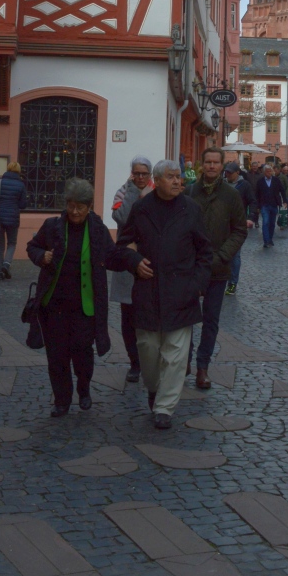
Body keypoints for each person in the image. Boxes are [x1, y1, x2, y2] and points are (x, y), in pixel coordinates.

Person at [27, 177, 150, 417]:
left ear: (89, 206)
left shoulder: (96, 229)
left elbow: (112, 257)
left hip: (86, 305)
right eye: (71, 206)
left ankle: (83, 390)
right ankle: (61, 399)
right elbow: (32, 246)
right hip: (55, 304)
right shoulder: (52, 226)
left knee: (83, 352)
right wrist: (41, 256)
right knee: (57, 355)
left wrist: (132, 261)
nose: (74, 211)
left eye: (80, 207)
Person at [117, 159, 213, 430]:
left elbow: (205, 252)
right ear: (156, 181)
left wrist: (197, 285)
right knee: (148, 349)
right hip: (148, 291)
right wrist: (134, 261)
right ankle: (153, 386)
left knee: (175, 354)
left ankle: (165, 407)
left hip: (181, 291)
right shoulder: (141, 209)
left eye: (178, 177)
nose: (177, 181)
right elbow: (122, 245)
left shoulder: (191, 209)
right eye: (170, 177)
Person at [188, 147, 247, 388]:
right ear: (202, 165)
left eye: (216, 162)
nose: (212, 166)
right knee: (186, 318)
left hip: (219, 267)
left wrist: (222, 256)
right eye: (208, 162)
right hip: (191, 267)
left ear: (222, 166)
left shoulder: (231, 196)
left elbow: (240, 230)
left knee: (210, 320)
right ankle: (184, 361)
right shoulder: (190, 192)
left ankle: (203, 366)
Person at [109, 157, 154, 380]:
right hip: (127, 263)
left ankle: (150, 359)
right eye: (136, 174)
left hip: (150, 263)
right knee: (128, 317)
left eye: (144, 174)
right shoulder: (122, 192)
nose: (140, 178)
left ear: (151, 174)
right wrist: (133, 192)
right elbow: (121, 217)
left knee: (148, 315)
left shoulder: (158, 192)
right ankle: (134, 362)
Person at [0, 161, 28, 281]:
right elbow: (23, 205)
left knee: (0, 245)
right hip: (13, 218)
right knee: (12, 243)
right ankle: (6, 264)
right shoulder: (21, 185)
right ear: (19, 171)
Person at [223, 161, 256, 291]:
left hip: (237, 225)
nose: (227, 174)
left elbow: (253, 201)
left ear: (237, 173)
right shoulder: (221, 184)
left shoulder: (244, 185)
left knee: (235, 255)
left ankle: (232, 282)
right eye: (226, 172)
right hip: (220, 223)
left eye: (230, 172)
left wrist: (250, 218)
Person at [255, 162, 287, 249]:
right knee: (265, 222)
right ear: (264, 172)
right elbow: (257, 194)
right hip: (264, 205)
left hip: (274, 204)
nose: (269, 173)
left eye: (270, 171)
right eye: (268, 171)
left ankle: (270, 239)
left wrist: (284, 201)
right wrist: (257, 206)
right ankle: (266, 241)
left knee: (272, 223)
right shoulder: (260, 182)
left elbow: (282, 190)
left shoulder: (276, 180)